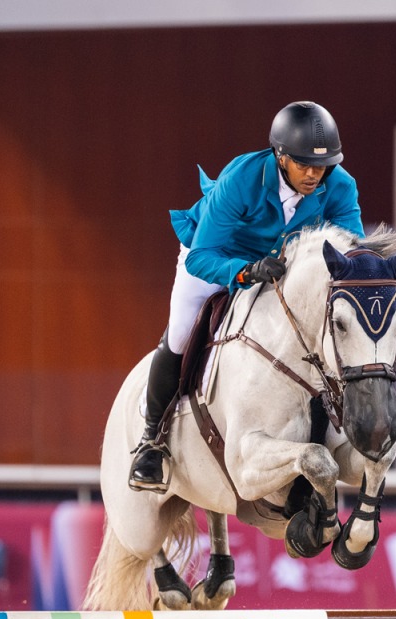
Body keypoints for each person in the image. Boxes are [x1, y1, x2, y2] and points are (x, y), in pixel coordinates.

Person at [129, 100, 364, 492]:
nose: (313, 174)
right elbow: (203, 256)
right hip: (216, 257)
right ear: (280, 155)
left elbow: (350, 253)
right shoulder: (241, 178)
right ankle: (151, 442)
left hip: (278, 269)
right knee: (182, 331)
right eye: (304, 164)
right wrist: (245, 271)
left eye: (322, 165)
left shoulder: (339, 185)